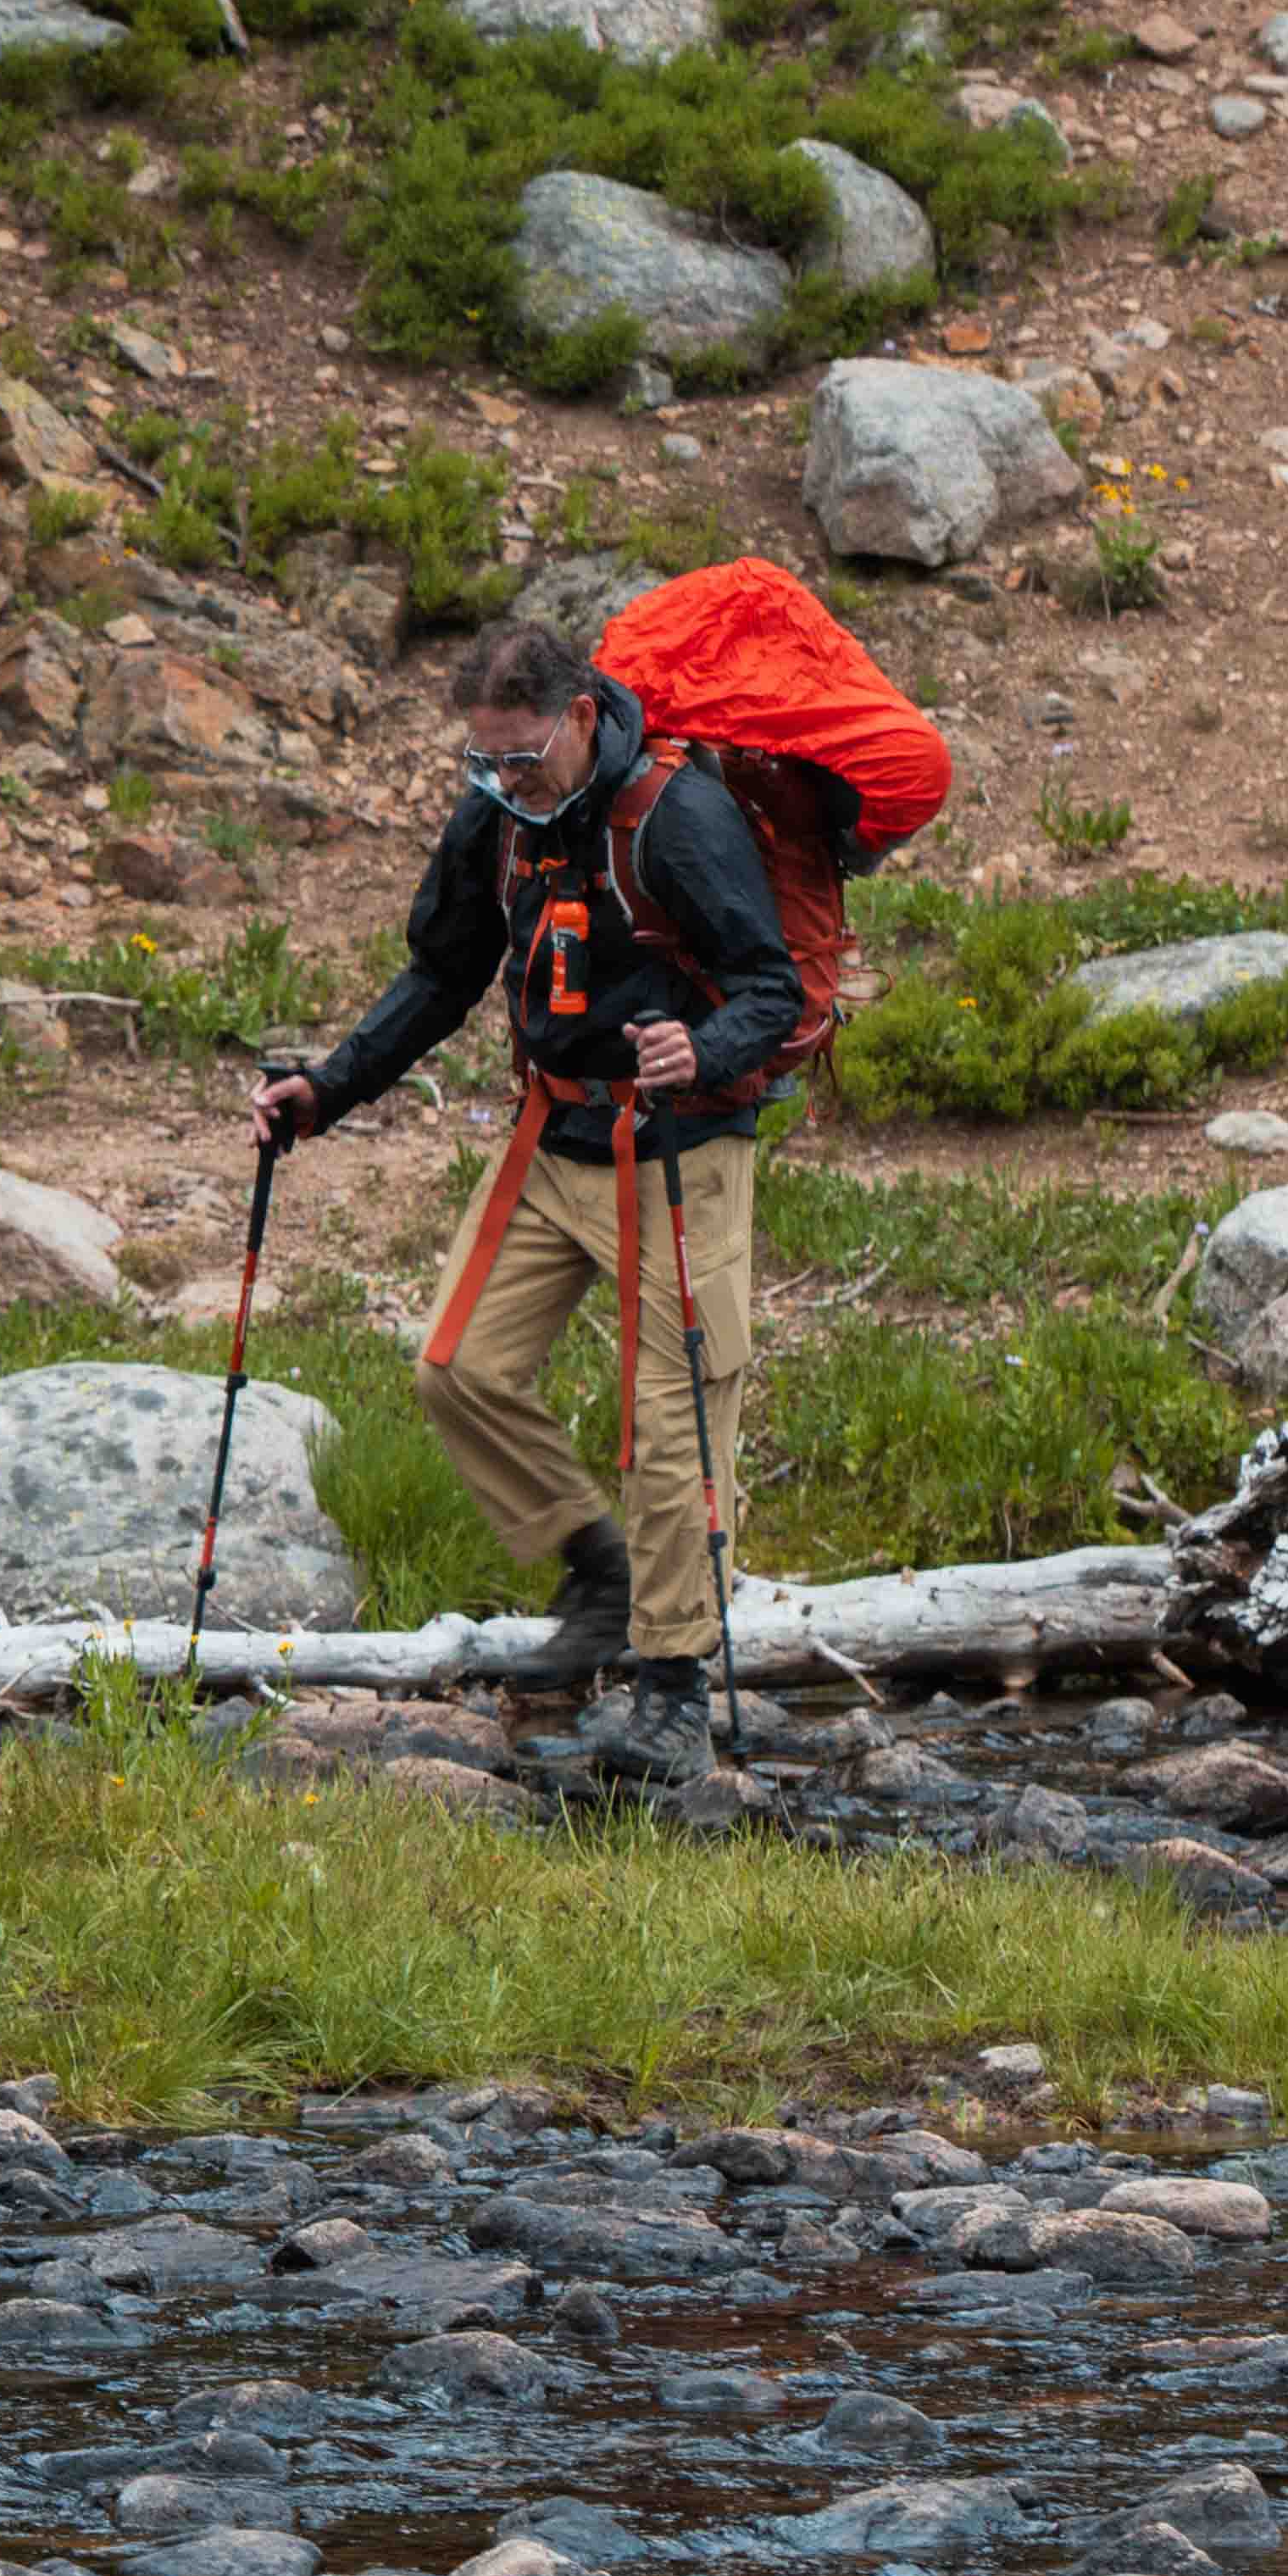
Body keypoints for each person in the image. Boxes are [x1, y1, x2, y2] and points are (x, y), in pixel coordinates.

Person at [248, 615, 802, 1788]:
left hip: (679, 1148)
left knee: (671, 1427)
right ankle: (598, 1570)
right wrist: (328, 1089)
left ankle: (672, 1693)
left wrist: (700, 1051)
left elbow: (773, 988)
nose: (506, 779)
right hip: (556, 1139)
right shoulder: (497, 821)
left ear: (583, 717)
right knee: (457, 1367)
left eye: (523, 756)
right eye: (485, 759)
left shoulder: (677, 817)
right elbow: (442, 974)